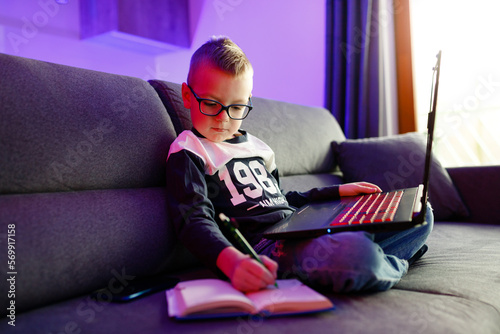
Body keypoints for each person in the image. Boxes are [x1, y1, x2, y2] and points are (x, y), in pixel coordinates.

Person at [165, 36, 433, 293]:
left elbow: (281, 200)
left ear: (248, 102)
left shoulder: (259, 148)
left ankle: (374, 260)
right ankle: (390, 261)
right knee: (355, 254)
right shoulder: (189, 150)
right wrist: (232, 262)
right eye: (211, 104)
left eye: (236, 107)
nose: (224, 118)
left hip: (300, 226)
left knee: (419, 213)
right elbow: (194, 220)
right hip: (266, 247)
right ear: (188, 96)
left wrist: (336, 193)